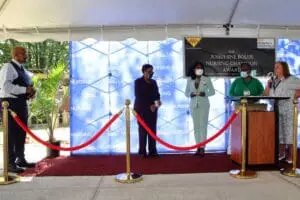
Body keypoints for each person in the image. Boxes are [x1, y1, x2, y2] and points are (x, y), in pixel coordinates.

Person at [0, 46, 36, 173]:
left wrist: (30, 92)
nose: (26, 55)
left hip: (21, 103)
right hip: (9, 104)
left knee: (21, 133)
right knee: (11, 134)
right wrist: (24, 90)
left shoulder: (22, 69)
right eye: (23, 53)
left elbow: (26, 85)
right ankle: (10, 163)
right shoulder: (8, 67)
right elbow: (6, 86)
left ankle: (20, 159)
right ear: (15, 55)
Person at [264, 61, 299, 163]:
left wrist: (297, 95)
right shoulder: (273, 81)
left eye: (277, 67)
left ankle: (292, 157)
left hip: (288, 110)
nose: (275, 70)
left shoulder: (291, 79)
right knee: (280, 134)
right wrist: (268, 85)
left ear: (284, 69)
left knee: (290, 134)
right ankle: (282, 154)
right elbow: (265, 94)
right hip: (276, 110)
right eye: (275, 67)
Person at [185, 61, 215, 156]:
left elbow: (213, 92)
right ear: (194, 69)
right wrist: (191, 94)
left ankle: (202, 147)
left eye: (200, 68)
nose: (199, 69)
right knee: (196, 126)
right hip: (194, 105)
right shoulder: (190, 79)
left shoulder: (206, 79)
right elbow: (186, 93)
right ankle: (198, 147)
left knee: (203, 126)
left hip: (204, 105)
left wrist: (205, 93)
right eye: (197, 68)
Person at [134, 64, 161, 158]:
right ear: (144, 71)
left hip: (153, 111)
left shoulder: (154, 82)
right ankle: (142, 152)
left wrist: (157, 104)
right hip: (141, 110)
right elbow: (139, 97)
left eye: (152, 72)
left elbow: (157, 96)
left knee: (152, 131)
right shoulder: (138, 82)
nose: (151, 73)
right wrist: (150, 106)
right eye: (149, 71)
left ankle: (153, 151)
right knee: (142, 131)